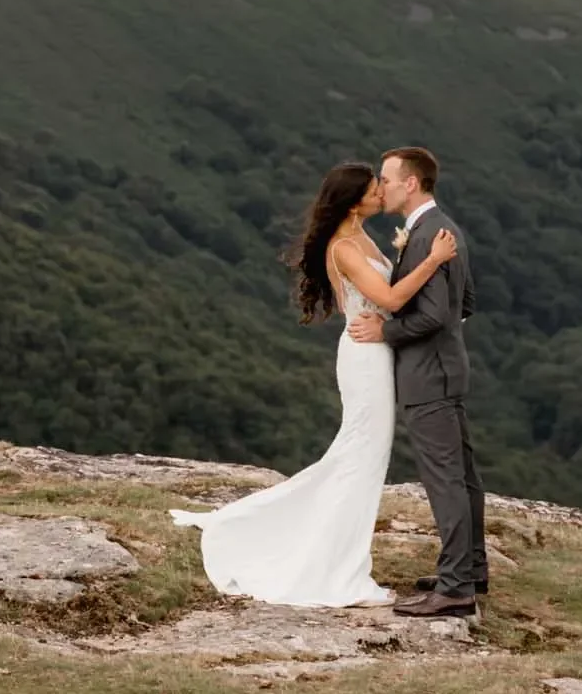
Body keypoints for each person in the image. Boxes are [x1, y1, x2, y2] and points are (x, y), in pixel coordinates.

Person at [171, 161, 458, 607]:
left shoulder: (361, 235)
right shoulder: (343, 246)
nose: (381, 192)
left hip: (378, 352)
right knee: (360, 458)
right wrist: (434, 261)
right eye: (372, 188)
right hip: (364, 358)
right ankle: (337, 570)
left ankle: (322, 550)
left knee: (360, 458)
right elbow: (390, 298)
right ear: (353, 200)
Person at [347, 146, 483, 618]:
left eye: (385, 179)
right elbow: (464, 302)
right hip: (446, 368)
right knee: (462, 477)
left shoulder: (426, 236)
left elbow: (436, 313)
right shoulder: (440, 228)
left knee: (446, 481)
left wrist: (387, 330)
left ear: (411, 184)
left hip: (428, 376)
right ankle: (472, 569)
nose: (380, 188)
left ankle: (456, 588)